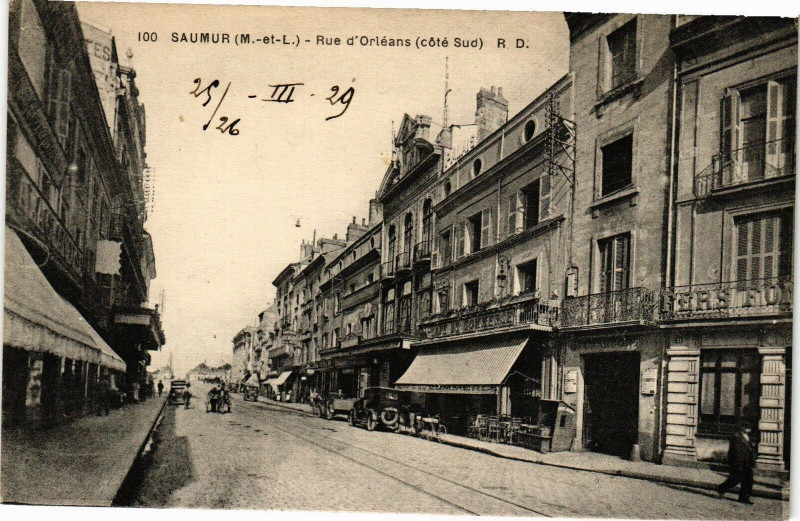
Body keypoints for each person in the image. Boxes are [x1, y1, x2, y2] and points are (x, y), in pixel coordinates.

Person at [716, 425, 757, 504]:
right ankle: (721, 488)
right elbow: (736, 451)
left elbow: (750, 450)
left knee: (748, 480)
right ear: (743, 428)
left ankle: (744, 497)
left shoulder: (747, 437)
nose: (750, 429)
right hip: (739, 462)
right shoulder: (736, 437)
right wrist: (737, 463)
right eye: (748, 428)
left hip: (747, 462)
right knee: (735, 479)